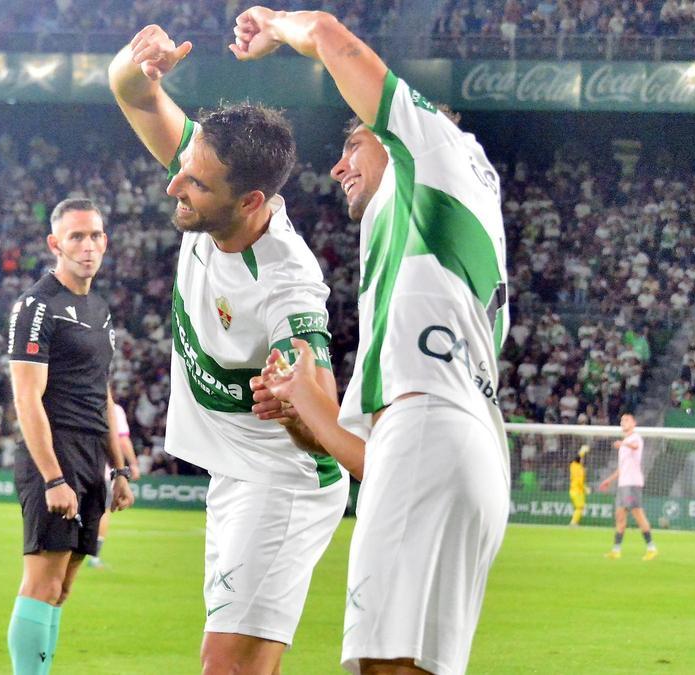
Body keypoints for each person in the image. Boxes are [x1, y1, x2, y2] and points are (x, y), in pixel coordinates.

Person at [233, 10, 511, 674]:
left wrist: (273, 22)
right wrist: (308, 413)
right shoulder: (425, 242)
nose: (336, 168)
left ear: (394, 135)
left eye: (351, 145)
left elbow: (332, 35)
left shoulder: (436, 148)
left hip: (431, 435)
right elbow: (375, 457)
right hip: (458, 448)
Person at [109, 26, 348, 674]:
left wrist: (298, 403)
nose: (173, 186)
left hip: (283, 482)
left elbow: (321, 402)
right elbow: (130, 95)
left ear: (249, 201)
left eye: (195, 184)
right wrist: (137, 65)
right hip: (234, 472)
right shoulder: (205, 165)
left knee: (227, 668)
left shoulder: (288, 280)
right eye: (184, 169)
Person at [5, 198, 134, 675]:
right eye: (76, 236)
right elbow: (26, 398)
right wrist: (53, 477)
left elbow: (102, 394)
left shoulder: (98, 309)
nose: (87, 245)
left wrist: (118, 467)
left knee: (62, 587)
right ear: (54, 243)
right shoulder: (37, 306)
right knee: (41, 583)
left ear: (105, 242)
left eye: (95, 235)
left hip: (90, 457)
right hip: (52, 456)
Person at [87, 390, 141, 570]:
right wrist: (132, 464)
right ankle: (94, 557)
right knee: (103, 512)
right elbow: (123, 440)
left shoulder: (80, 402)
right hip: (102, 471)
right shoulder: (115, 410)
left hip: (76, 467)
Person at [599, 413, 657, 560]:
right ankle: (616, 550)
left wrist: (623, 444)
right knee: (619, 517)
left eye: (626, 420)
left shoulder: (635, 437)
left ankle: (651, 548)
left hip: (633, 484)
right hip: (622, 484)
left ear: (634, 423)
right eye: (621, 420)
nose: (623, 422)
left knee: (637, 514)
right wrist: (608, 480)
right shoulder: (624, 443)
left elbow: (636, 446)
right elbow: (621, 468)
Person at [569, 445, 589, 526]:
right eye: (582, 459)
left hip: (576, 491)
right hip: (577, 491)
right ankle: (573, 522)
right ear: (579, 460)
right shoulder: (577, 467)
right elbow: (580, 482)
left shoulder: (574, 466)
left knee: (580, 507)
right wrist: (582, 451)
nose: (583, 460)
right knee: (579, 508)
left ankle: (575, 522)